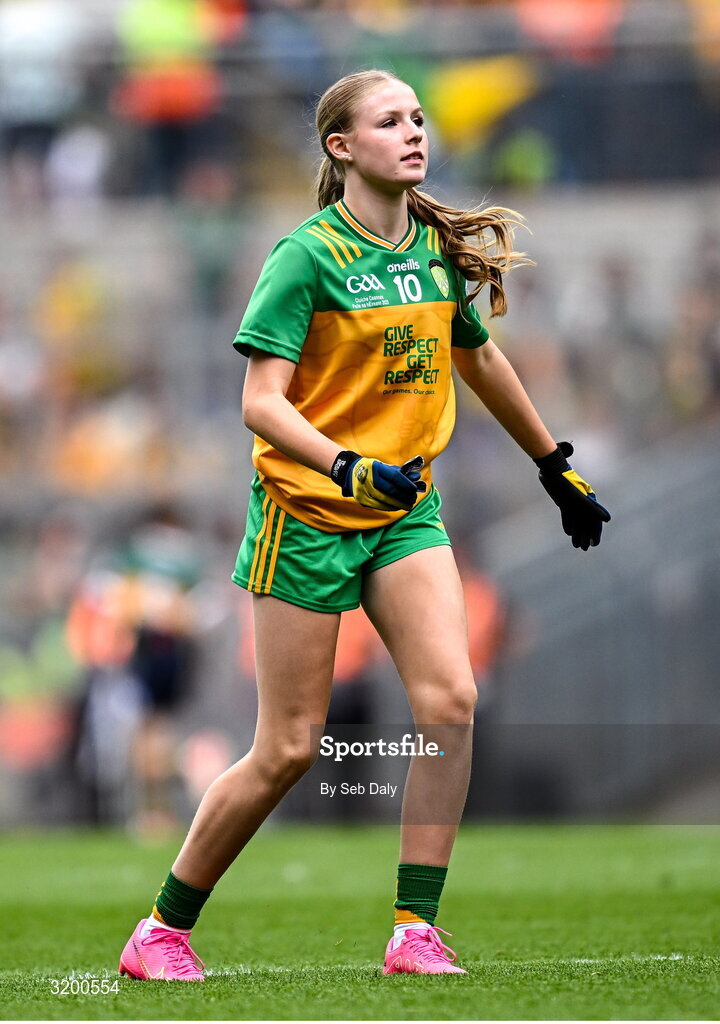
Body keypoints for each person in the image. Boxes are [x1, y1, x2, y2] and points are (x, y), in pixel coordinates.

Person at [118, 68, 610, 982]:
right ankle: (160, 931)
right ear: (342, 148)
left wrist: (555, 466)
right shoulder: (303, 257)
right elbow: (260, 403)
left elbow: (481, 357)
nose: (415, 132)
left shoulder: (430, 247)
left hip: (402, 512)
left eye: (419, 117)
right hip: (306, 515)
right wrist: (345, 463)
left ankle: (413, 932)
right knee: (289, 750)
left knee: (451, 701)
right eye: (391, 121)